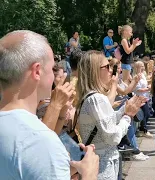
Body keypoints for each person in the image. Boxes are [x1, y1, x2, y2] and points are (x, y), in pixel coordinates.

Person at [0, 30, 99, 179]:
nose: (55, 75)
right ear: (37, 71)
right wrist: (89, 174)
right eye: (52, 68)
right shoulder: (41, 142)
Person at [76, 50, 147, 180]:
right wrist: (127, 116)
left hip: (101, 162)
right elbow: (113, 137)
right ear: (94, 71)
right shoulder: (96, 98)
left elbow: (106, 121)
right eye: (107, 66)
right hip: (102, 165)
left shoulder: (92, 97)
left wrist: (125, 109)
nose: (111, 70)